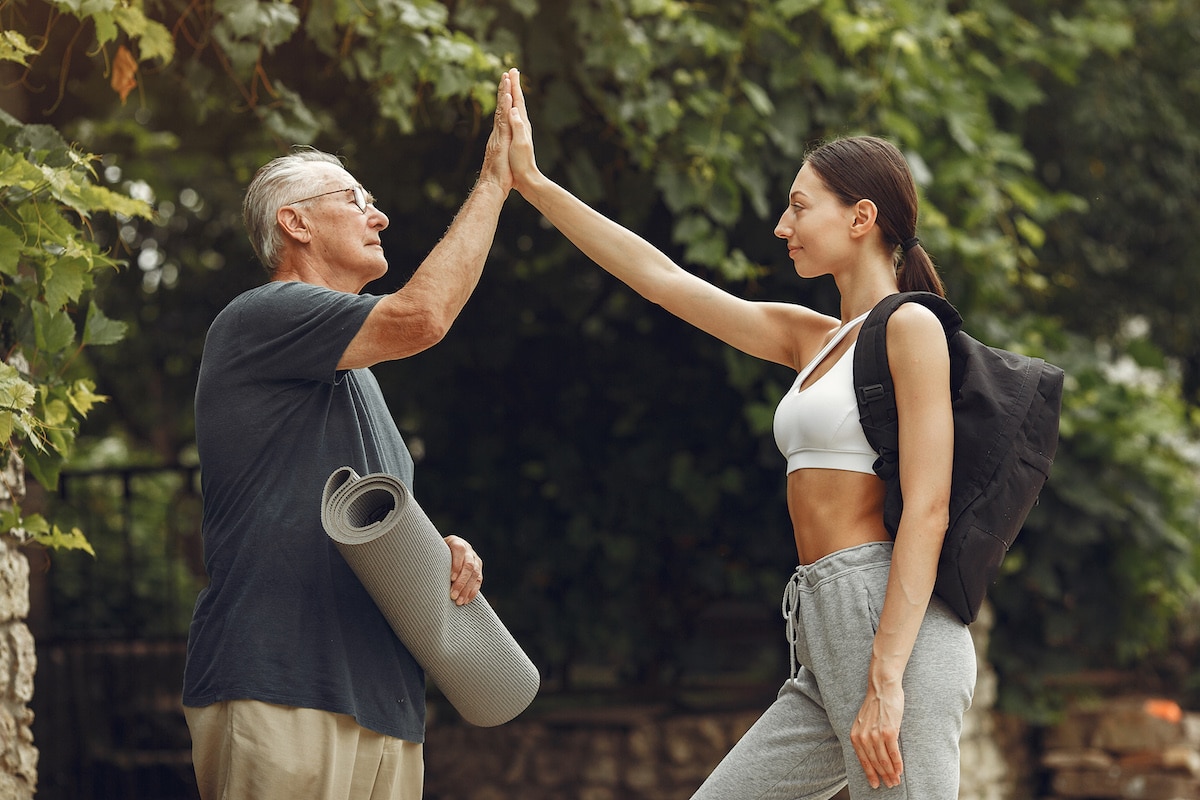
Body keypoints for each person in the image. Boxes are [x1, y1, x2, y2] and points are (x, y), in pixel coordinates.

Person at [505, 74, 976, 799]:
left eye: (798, 207)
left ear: (861, 218)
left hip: (887, 626)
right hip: (820, 625)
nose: (783, 228)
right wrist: (533, 184)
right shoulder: (811, 339)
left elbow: (930, 507)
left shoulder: (912, 328)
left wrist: (885, 677)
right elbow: (662, 279)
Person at [181, 69, 521, 800]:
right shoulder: (258, 318)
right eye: (354, 199)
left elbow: (357, 531)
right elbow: (421, 319)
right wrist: (495, 181)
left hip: (386, 702)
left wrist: (435, 552)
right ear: (295, 224)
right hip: (281, 684)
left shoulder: (360, 382)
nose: (380, 215)